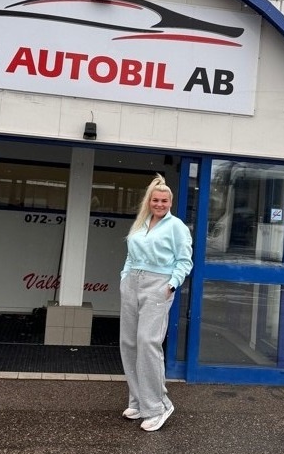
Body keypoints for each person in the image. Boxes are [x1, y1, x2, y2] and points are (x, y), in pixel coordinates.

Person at [119, 174, 193, 432]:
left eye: (164, 201)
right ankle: (139, 401)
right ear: (149, 201)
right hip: (132, 283)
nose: (159, 204)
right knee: (129, 343)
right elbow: (130, 256)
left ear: (170, 203)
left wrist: (171, 285)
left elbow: (184, 261)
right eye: (155, 200)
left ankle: (158, 406)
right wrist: (124, 278)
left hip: (158, 285)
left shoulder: (176, 227)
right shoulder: (141, 223)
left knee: (148, 342)